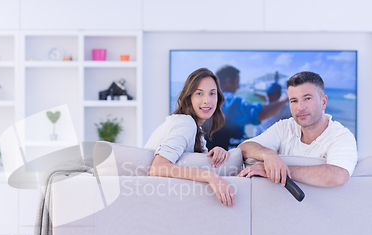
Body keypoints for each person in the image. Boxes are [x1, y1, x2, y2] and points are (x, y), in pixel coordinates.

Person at [237, 71, 357, 187]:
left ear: (323, 102)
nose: (300, 108)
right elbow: (243, 148)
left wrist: (277, 171)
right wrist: (268, 154)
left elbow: (338, 176)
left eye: (307, 98)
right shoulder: (285, 127)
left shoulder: (341, 136)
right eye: (294, 101)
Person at [145, 68, 235, 207]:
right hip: (153, 201)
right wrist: (210, 177)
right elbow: (158, 168)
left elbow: (201, 165)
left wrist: (217, 151)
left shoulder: (195, 129)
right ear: (189, 97)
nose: (207, 100)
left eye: (212, 93)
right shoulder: (185, 124)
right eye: (199, 93)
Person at [203, 65, 289, 150]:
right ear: (228, 81)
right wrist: (284, 100)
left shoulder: (209, 99)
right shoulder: (229, 100)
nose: (238, 87)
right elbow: (259, 114)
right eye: (237, 82)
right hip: (226, 155)